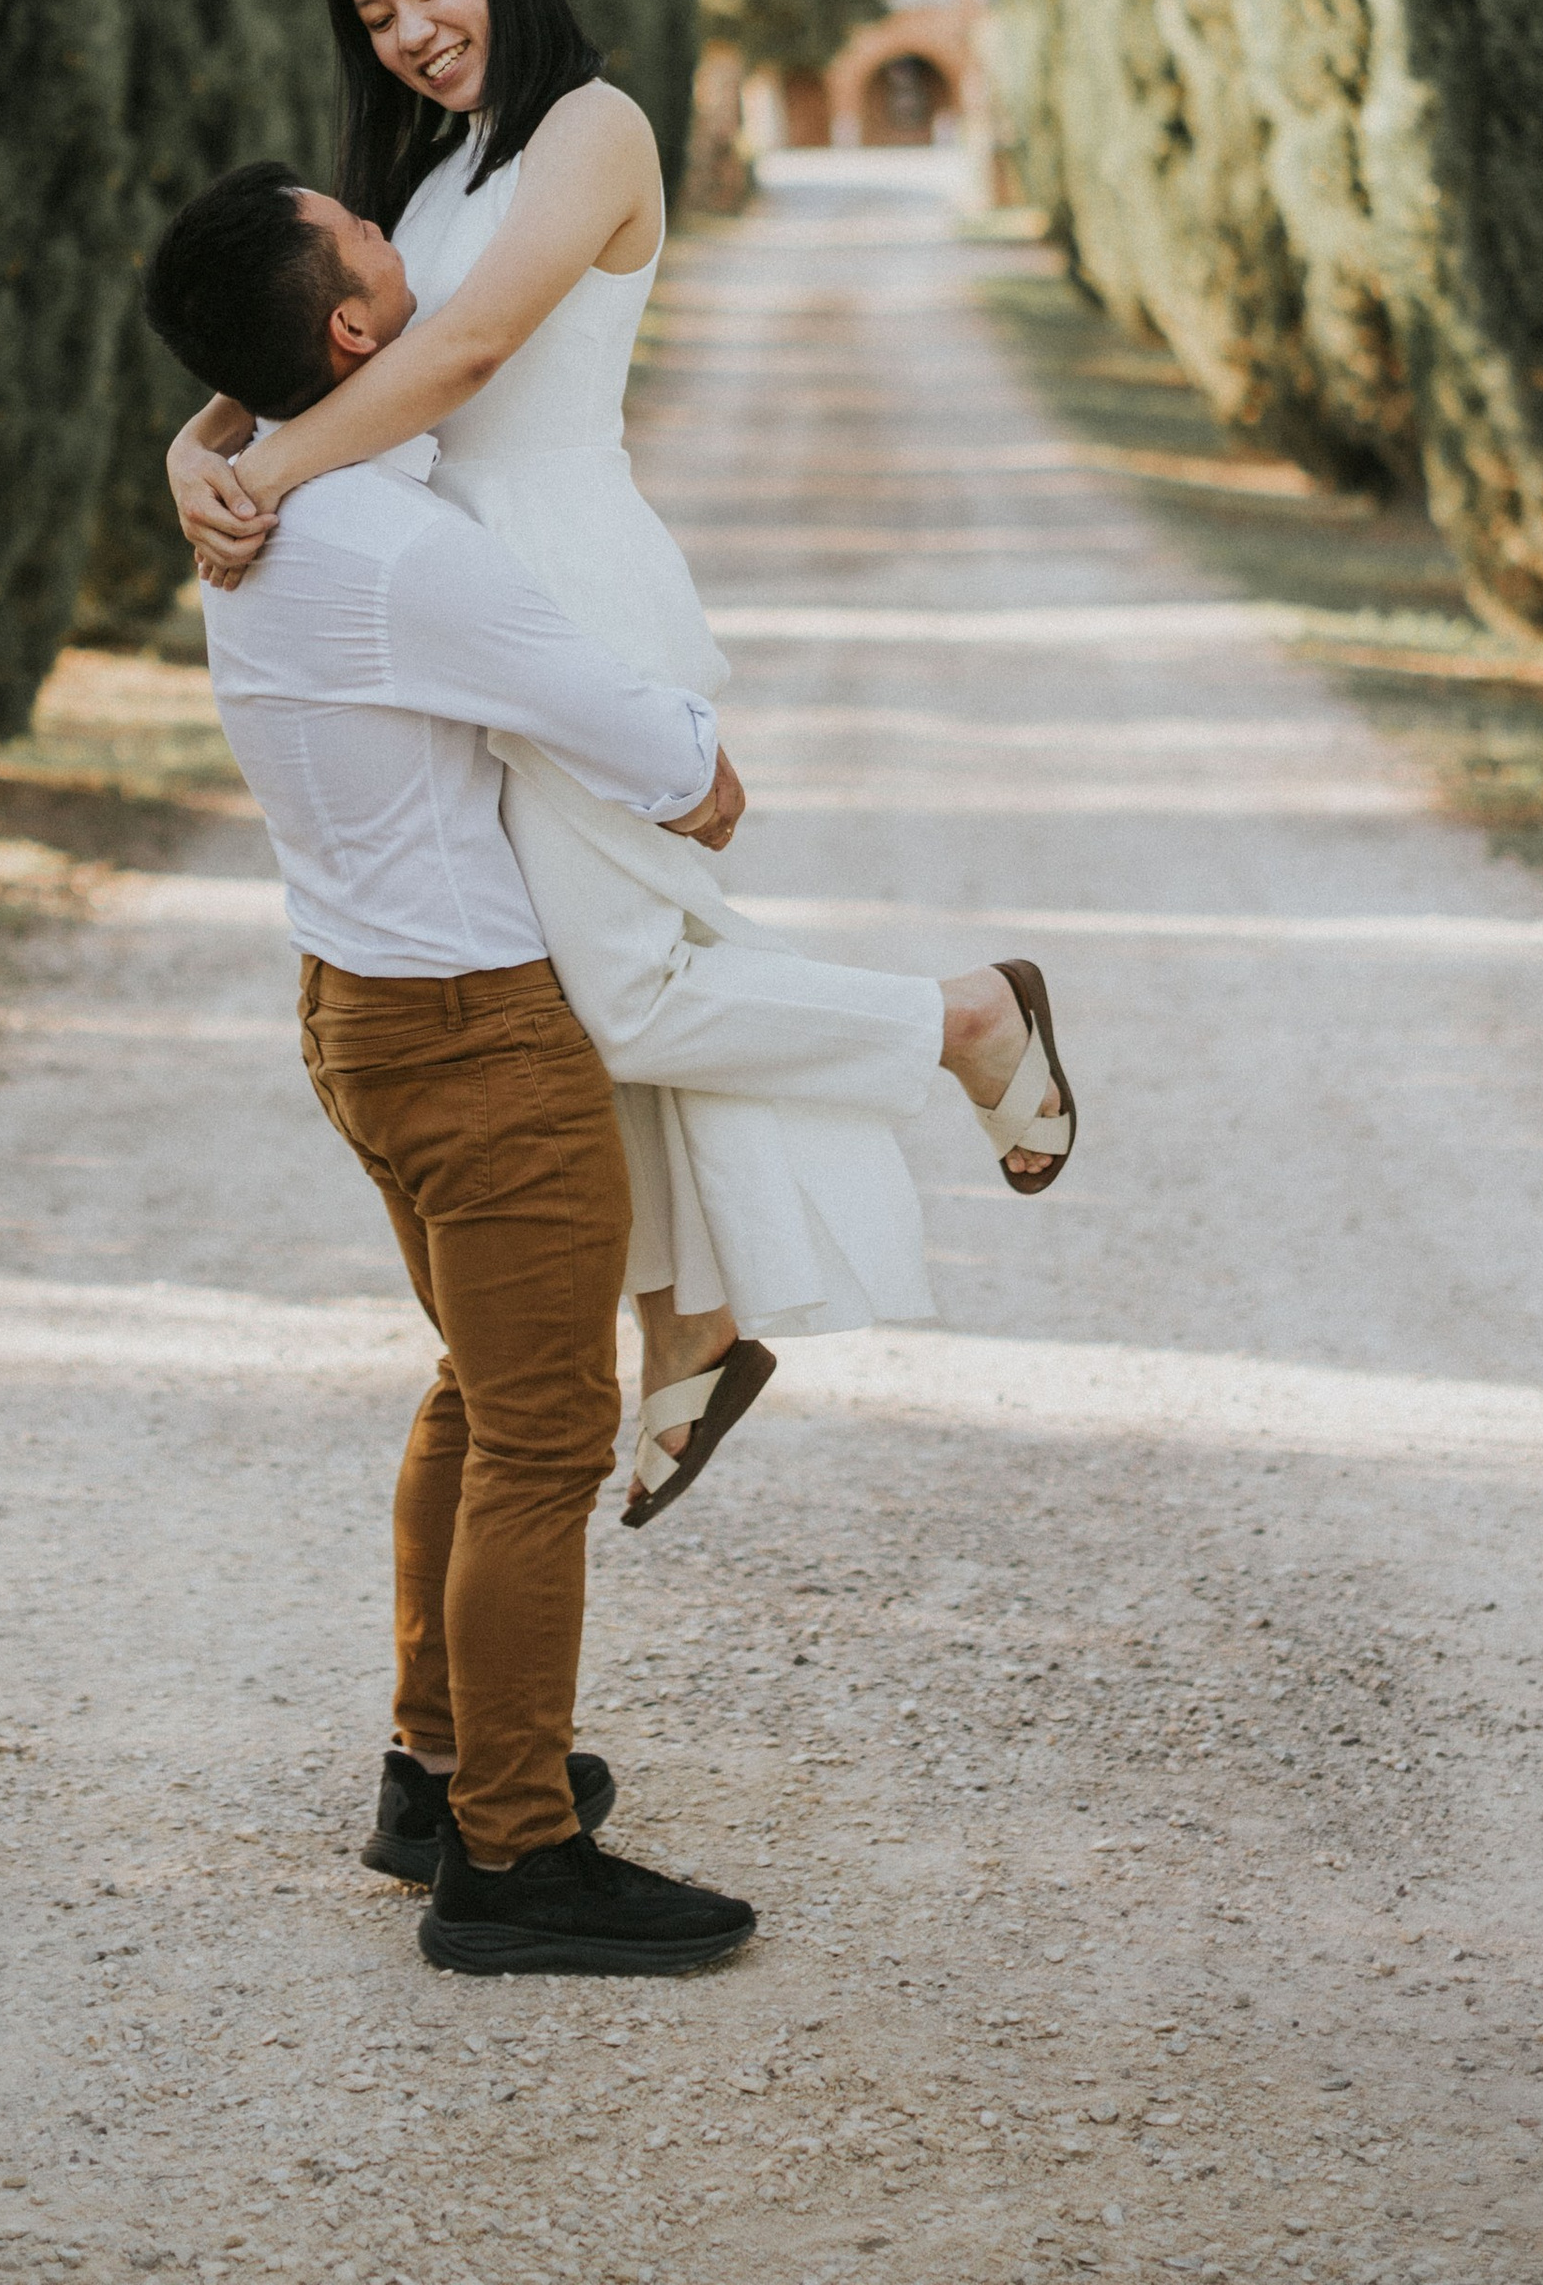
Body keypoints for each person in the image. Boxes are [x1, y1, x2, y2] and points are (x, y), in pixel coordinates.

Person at [141, 156, 1053, 1977]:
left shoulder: (276, 512)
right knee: (547, 1433)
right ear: (349, 326)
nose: (413, 250)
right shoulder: (393, 548)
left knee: (482, 1396)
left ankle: (436, 1772)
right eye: (377, 241)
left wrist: (197, 438)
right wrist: (704, 765)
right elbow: (635, 732)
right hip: (478, 1039)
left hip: (364, 1013)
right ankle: (513, 1857)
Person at [166, 0, 1074, 1524]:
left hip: (568, 593)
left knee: (631, 995)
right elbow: (299, 345)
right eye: (374, 18)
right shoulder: (427, 173)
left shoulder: (595, 130)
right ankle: (694, 1321)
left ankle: (961, 1019)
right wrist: (191, 446)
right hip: (457, 610)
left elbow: (461, 356)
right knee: (583, 993)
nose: (409, 35)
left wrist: (267, 476)